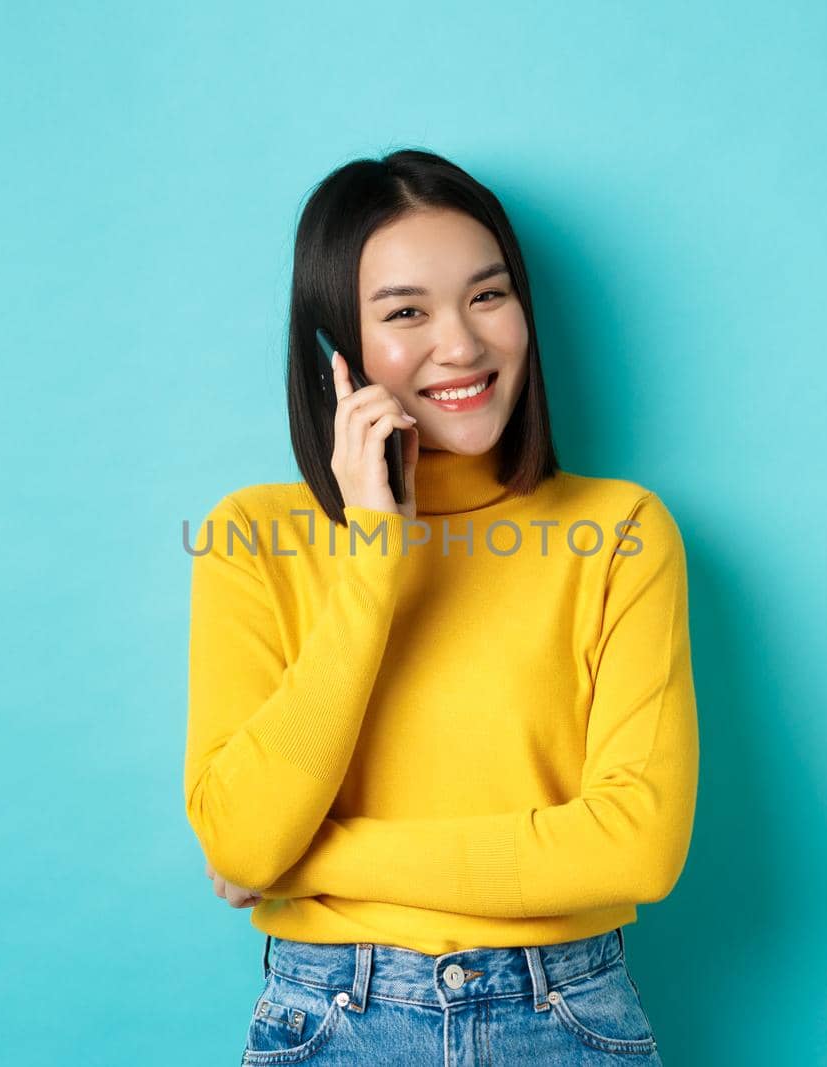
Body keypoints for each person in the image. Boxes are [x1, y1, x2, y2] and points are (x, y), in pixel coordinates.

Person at [183, 148, 699, 1065]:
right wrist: (375, 558)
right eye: (407, 312)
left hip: (565, 1018)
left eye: (488, 296)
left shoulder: (619, 530)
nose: (460, 344)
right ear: (336, 346)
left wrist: (308, 860)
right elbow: (240, 830)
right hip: (332, 1019)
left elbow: (636, 847)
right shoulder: (253, 536)